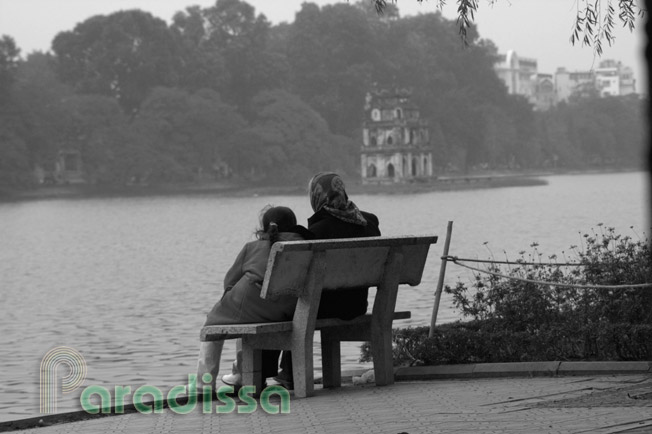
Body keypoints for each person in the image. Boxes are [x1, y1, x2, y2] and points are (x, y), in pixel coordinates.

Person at [274, 171, 381, 388]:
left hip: (325, 307)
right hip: (357, 304)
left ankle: (289, 373)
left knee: (294, 308)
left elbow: (300, 276)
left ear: (317, 196)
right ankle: (288, 373)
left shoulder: (317, 231)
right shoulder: (369, 222)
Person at [196, 205, 313, 391]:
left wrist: (229, 297)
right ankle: (242, 372)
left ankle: (204, 385)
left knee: (213, 325)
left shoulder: (253, 247)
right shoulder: (305, 247)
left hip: (252, 306)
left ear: (265, 227)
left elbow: (229, 281)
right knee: (244, 316)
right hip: (289, 309)